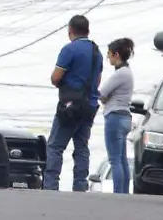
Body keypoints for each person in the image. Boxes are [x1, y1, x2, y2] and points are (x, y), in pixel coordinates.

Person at [44, 15, 102, 192]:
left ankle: (51, 185)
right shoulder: (96, 52)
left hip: (70, 106)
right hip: (89, 105)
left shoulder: (69, 50)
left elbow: (56, 78)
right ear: (88, 30)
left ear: (70, 30)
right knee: (82, 146)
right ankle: (80, 185)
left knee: (55, 146)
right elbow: (97, 80)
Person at [98, 37, 135, 195]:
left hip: (115, 116)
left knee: (114, 159)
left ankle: (118, 193)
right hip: (125, 116)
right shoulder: (128, 73)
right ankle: (124, 193)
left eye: (109, 54)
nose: (108, 58)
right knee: (122, 159)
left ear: (116, 54)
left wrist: (105, 98)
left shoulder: (120, 74)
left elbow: (101, 94)